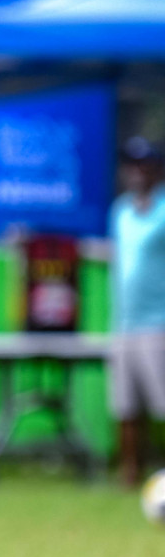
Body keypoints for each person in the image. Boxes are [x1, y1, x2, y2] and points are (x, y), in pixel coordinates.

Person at [109, 137, 165, 486]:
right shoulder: (120, 212)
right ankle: (130, 477)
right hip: (124, 323)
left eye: (143, 164)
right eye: (131, 165)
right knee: (126, 408)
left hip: (159, 323)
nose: (137, 172)